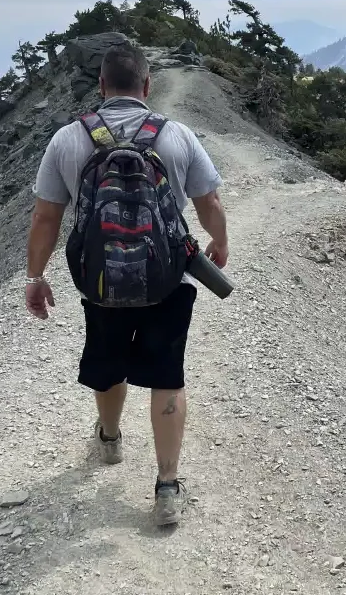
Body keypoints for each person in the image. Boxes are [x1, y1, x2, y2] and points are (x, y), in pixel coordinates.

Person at [25, 42, 228, 526]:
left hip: (100, 282)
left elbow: (45, 217)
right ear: (147, 86)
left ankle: (111, 439)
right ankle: (166, 488)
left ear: (101, 87)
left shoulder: (69, 140)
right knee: (167, 374)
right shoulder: (176, 135)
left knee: (108, 358)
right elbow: (209, 202)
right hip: (167, 279)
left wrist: (36, 277)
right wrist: (218, 242)